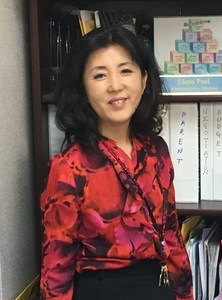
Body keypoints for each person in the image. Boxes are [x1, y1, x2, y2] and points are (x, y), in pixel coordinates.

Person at [39, 25, 193, 300]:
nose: (115, 85)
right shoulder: (69, 167)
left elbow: (170, 236)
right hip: (100, 290)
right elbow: (57, 267)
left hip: (158, 287)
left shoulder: (156, 151)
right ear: (83, 88)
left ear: (144, 80)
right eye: (100, 75)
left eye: (125, 70)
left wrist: (184, 295)